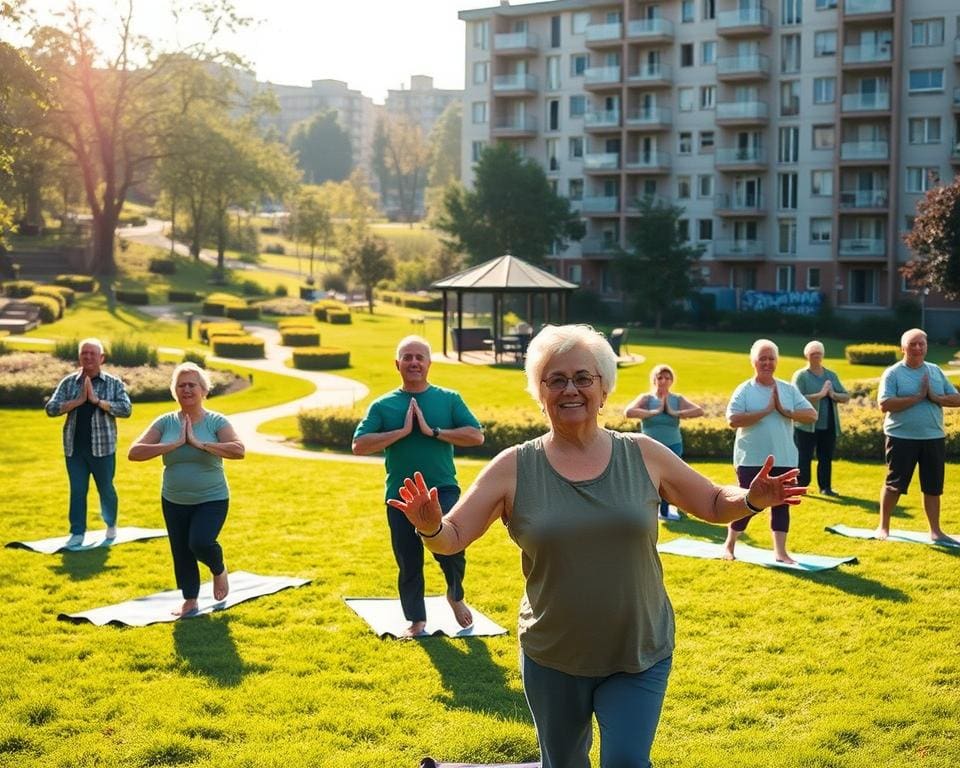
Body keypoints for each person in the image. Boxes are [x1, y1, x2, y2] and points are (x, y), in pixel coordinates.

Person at [387, 325, 806, 767]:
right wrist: (431, 527)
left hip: (638, 650)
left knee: (626, 761)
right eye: (556, 379)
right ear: (540, 391)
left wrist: (753, 499)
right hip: (554, 655)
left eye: (583, 378)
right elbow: (453, 537)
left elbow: (714, 502)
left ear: (604, 389)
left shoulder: (643, 453)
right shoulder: (513, 466)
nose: (571, 389)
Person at [352, 335, 484, 638]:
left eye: (419, 357)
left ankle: (455, 595)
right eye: (407, 357)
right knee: (408, 557)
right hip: (399, 496)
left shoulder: (449, 398)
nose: (413, 362)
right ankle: (416, 620)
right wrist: (401, 431)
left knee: (451, 549)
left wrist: (431, 431)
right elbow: (359, 445)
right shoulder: (383, 405)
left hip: (442, 490)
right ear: (397, 364)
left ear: (428, 363)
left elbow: (476, 436)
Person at [128, 363, 244, 616]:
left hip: (211, 498)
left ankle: (218, 569)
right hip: (173, 499)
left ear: (204, 390)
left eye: (192, 384)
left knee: (200, 542)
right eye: (182, 385)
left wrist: (199, 443)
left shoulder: (216, 421)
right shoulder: (165, 422)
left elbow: (238, 450)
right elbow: (134, 453)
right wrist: (173, 444)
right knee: (181, 550)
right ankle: (190, 599)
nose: (187, 389)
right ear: (175, 391)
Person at [723, 339, 817, 564]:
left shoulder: (787, 389)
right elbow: (732, 420)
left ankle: (780, 552)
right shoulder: (745, 389)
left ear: (777, 361)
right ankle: (729, 544)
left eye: (771, 358)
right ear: (753, 362)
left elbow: (811, 414)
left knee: (782, 504)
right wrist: (766, 410)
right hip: (751, 459)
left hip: (784, 457)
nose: (767, 363)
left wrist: (785, 411)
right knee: (746, 505)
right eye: (762, 359)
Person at [45, 337, 132, 547]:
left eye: (93, 353)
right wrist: (77, 402)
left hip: (103, 449)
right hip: (74, 449)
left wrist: (97, 402)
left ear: (101, 358)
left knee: (106, 489)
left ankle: (111, 524)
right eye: (84, 353)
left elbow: (126, 409)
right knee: (77, 490)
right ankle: (77, 532)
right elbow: (50, 408)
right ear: (79, 357)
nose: (88, 357)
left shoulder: (113, 383)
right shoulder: (69, 383)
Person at [876, 328, 960, 542]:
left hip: (933, 436)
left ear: (926, 346)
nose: (917, 347)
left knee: (933, 486)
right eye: (912, 344)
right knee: (894, 484)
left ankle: (936, 531)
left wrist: (935, 397)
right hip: (901, 437)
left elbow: (956, 399)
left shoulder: (935, 371)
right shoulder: (893, 373)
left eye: (921, 343)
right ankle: (883, 527)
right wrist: (916, 397)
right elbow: (884, 404)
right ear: (903, 348)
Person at [625, 364, 704, 519]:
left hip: (673, 445)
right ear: (654, 380)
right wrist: (653, 412)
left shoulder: (677, 399)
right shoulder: (646, 398)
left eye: (667, 378)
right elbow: (628, 412)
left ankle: (665, 511)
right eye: (660, 377)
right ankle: (646, 510)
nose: (663, 380)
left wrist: (674, 412)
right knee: (648, 479)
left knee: (670, 480)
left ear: (671, 381)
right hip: (650, 447)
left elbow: (699, 411)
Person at [791, 341, 850, 496]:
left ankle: (825, 487)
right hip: (805, 425)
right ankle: (801, 485)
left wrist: (833, 395)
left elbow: (845, 396)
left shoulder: (831, 375)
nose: (816, 357)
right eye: (812, 354)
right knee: (804, 456)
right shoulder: (801, 376)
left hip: (828, 425)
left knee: (826, 457)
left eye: (818, 353)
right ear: (806, 356)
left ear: (823, 355)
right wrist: (820, 395)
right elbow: (796, 399)